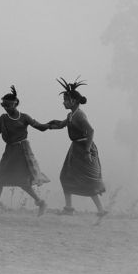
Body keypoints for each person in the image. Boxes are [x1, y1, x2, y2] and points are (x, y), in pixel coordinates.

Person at [0, 85, 52, 215]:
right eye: (4, 105)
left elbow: (40, 127)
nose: (7, 108)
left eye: (9, 105)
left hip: (22, 151)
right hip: (9, 151)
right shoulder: (2, 119)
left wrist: (55, 125)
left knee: (22, 181)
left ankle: (41, 203)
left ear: (15, 104)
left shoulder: (24, 117)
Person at [46, 77, 107, 218]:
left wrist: (86, 151)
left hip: (84, 148)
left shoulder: (79, 115)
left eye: (66, 100)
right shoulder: (70, 115)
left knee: (88, 180)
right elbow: (60, 125)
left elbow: (91, 131)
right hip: (75, 150)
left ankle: (100, 210)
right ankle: (69, 208)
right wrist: (46, 126)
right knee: (66, 176)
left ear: (73, 101)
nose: (63, 102)